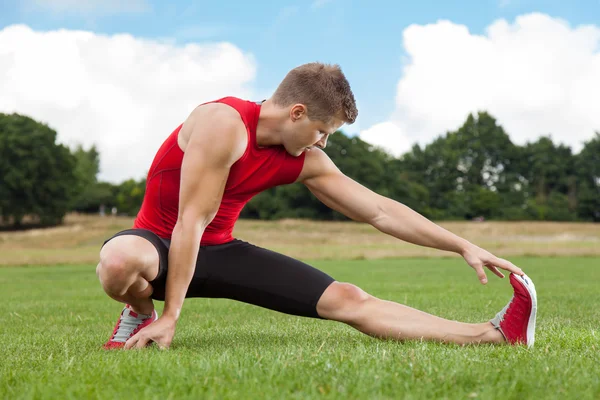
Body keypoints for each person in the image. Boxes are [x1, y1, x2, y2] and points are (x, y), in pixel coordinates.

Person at [97, 62, 537, 351]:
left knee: (347, 298)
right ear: (297, 112)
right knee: (119, 260)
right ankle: (141, 313)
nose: (323, 142)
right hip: (160, 245)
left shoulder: (304, 160)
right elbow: (191, 219)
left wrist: (462, 245)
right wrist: (172, 315)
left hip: (219, 251)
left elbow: (379, 211)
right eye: (323, 130)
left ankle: (494, 335)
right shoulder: (222, 123)